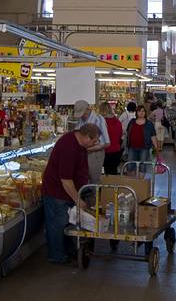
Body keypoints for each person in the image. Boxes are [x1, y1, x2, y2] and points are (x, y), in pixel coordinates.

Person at [41, 124, 100, 263]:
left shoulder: (79, 144)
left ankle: (67, 251)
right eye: (94, 140)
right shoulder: (69, 147)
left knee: (67, 223)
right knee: (58, 224)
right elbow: (66, 180)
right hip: (57, 192)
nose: (95, 144)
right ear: (86, 137)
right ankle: (57, 256)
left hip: (68, 192)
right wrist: (77, 199)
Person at [74, 100, 109, 183]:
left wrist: (87, 149)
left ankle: (96, 195)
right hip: (84, 152)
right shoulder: (81, 119)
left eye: (83, 113)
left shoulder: (98, 119)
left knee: (94, 178)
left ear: (88, 109)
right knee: (83, 177)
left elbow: (106, 143)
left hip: (95, 154)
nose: (82, 116)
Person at [100, 101, 123, 175]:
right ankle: (114, 186)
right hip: (116, 150)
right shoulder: (117, 121)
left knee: (106, 173)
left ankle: (106, 186)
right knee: (113, 172)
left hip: (105, 150)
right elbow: (120, 135)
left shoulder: (102, 122)